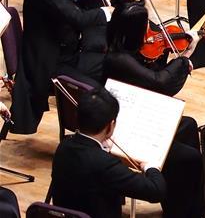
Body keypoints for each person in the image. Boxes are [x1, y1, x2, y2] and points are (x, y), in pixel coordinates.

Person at [11, 0, 123, 134]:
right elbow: (77, 18)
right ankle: (93, 133)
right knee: (101, 95)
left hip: (65, 52)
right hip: (51, 62)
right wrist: (106, 11)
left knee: (115, 64)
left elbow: (68, 12)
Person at [104, 0, 204, 218]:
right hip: (122, 131)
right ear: (134, 31)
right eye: (145, 26)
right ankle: (185, 210)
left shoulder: (125, 48)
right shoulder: (118, 58)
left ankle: (182, 206)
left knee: (188, 125)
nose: (150, 31)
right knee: (191, 158)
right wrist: (184, 58)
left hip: (135, 114)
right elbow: (160, 83)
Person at [48, 87, 167, 218]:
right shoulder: (105, 164)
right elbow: (156, 191)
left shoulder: (63, 147)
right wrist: (151, 167)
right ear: (110, 126)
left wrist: (101, 150)